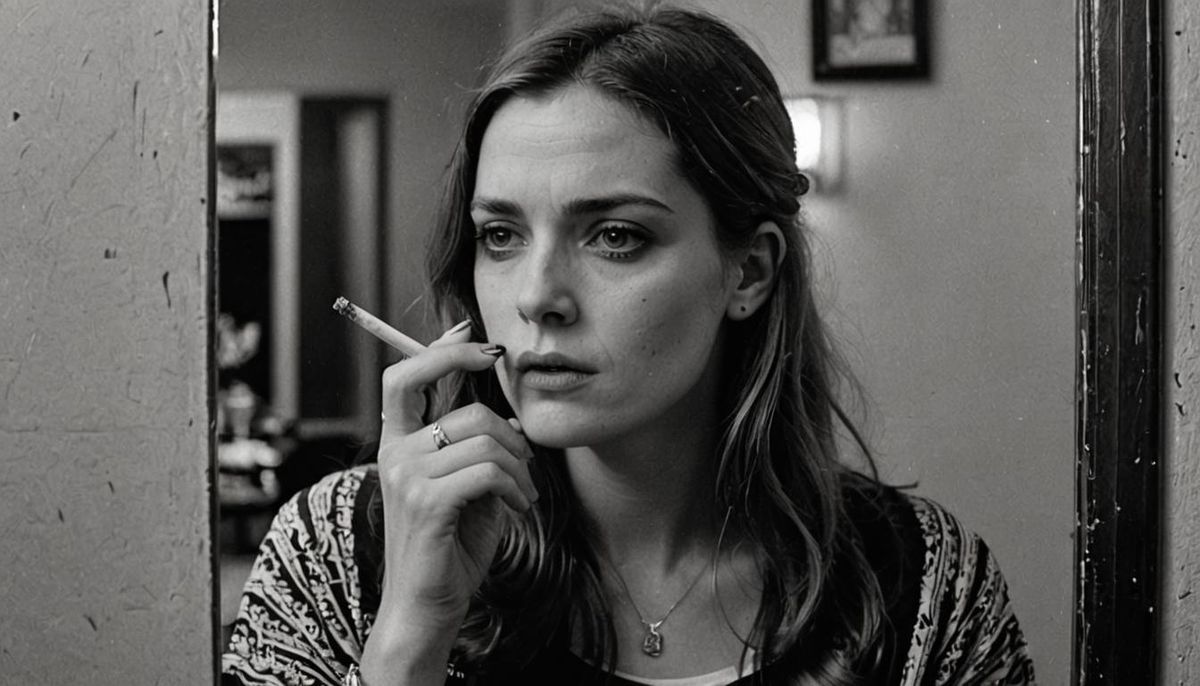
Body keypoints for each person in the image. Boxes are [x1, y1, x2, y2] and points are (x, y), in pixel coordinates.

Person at [222, 4, 1036, 684]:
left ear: (749, 272)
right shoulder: (338, 551)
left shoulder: (923, 587)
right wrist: (409, 637)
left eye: (614, 235)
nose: (536, 296)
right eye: (501, 235)